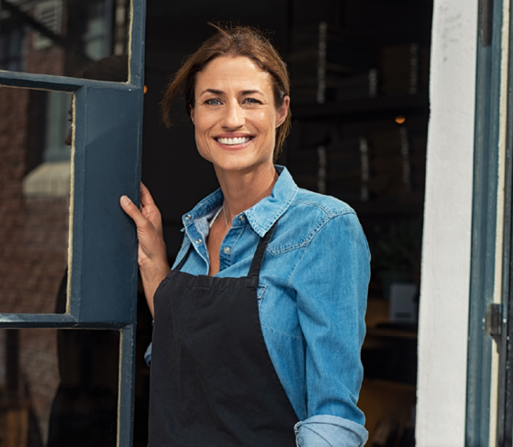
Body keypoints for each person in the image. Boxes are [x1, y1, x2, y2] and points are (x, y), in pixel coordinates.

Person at [119, 25, 370, 446]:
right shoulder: (195, 232)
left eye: (250, 100)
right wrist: (155, 263)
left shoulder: (324, 227)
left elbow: (333, 416)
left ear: (281, 111)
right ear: (194, 115)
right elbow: (185, 363)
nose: (231, 118)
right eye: (213, 100)